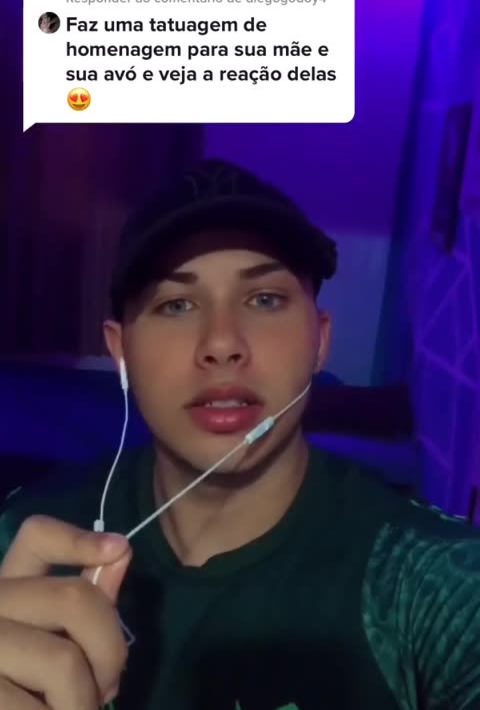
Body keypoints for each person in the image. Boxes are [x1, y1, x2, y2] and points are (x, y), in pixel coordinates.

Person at [0, 158, 479, 710]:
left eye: (264, 300)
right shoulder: (21, 540)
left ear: (320, 342)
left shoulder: (435, 585)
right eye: (176, 304)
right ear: (120, 351)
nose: (222, 343)